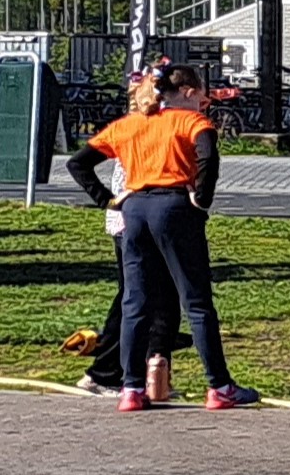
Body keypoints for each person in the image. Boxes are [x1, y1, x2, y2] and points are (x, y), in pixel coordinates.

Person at [68, 58, 249, 411]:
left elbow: (78, 162)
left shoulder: (128, 124)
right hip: (174, 205)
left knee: (135, 301)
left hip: (134, 209)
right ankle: (219, 385)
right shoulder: (190, 120)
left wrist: (106, 199)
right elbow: (208, 153)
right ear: (184, 91)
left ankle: (131, 388)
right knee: (196, 300)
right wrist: (203, 195)